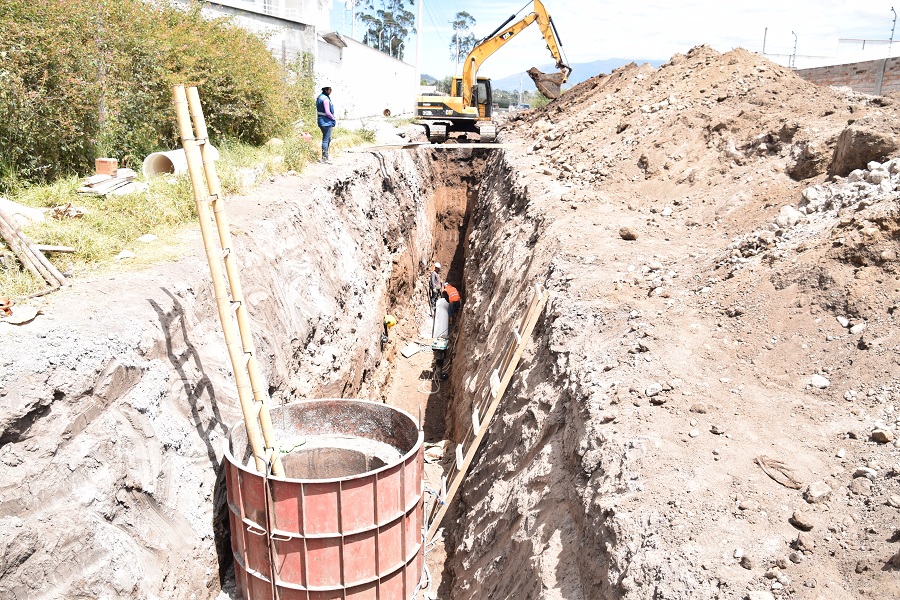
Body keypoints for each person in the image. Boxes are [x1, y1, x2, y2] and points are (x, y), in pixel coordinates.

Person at [316, 86, 336, 164]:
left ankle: (325, 156)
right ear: (326, 90)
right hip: (326, 121)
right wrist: (333, 118)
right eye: (330, 89)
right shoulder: (325, 99)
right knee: (326, 140)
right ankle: (324, 158)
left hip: (321, 121)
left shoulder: (320, 97)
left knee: (328, 139)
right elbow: (327, 112)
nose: (331, 91)